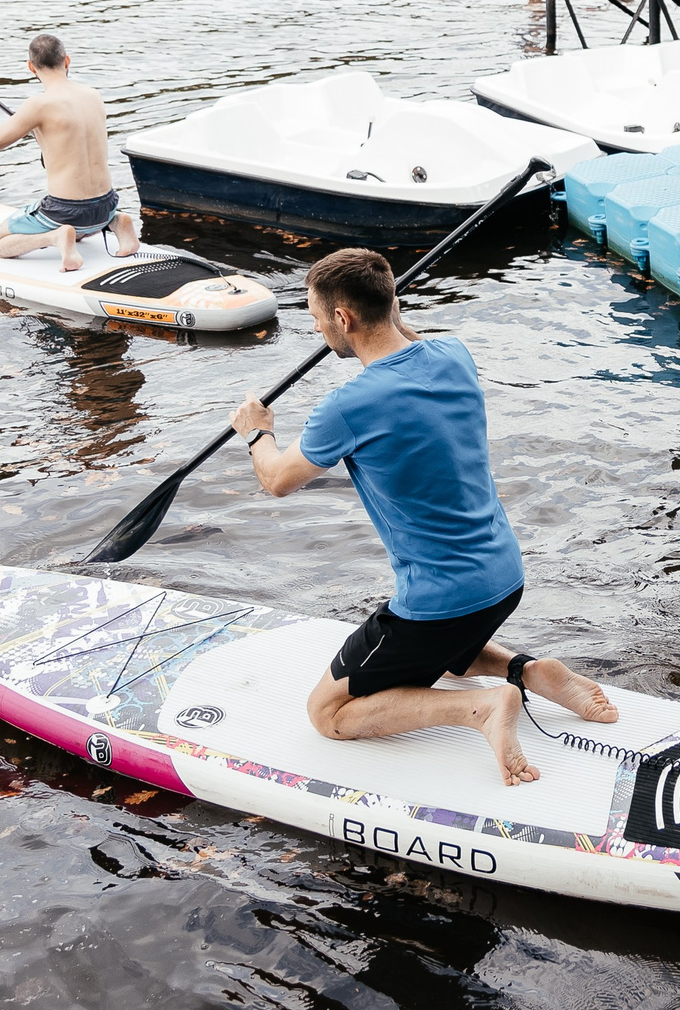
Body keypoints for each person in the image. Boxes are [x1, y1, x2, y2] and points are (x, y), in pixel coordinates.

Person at [233, 248, 619, 786]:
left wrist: (256, 430)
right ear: (392, 302)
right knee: (440, 651)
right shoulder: (452, 354)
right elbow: (404, 337)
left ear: (343, 318)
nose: (317, 328)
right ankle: (527, 671)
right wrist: (386, 312)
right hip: (504, 579)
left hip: (440, 601)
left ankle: (479, 709)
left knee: (327, 714)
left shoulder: (346, 407)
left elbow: (276, 479)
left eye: (317, 316)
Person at [0, 34, 141, 273]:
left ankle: (56, 238)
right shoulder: (94, 95)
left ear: (31, 67)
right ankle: (117, 222)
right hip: (106, 205)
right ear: (67, 60)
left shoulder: (38, 105)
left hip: (66, 211)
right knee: (83, 223)